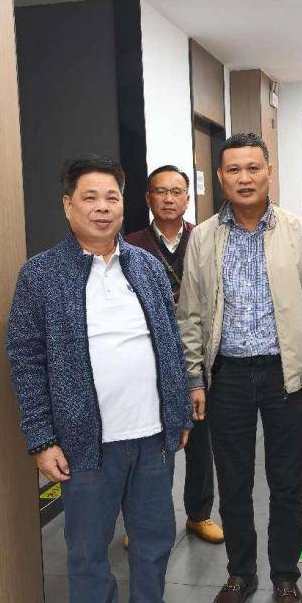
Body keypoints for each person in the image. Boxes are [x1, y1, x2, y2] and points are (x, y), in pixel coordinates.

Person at [6, 155, 198, 603]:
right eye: (89, 197)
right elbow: (25, 359)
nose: (102, 207)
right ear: (68, 206)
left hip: (152, 435)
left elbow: (169, 342)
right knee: (88, 551)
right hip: (85, 444)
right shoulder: (41, 275)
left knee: (155, 539)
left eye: (111, 197)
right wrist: (41, 438)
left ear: (123, 204)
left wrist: (177, 413)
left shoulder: (145, 266)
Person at [177, 132, 302, 603]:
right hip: (226, 377)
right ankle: (241, 575)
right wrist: (194, 378)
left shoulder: (298, 233)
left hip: (284, 376)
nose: (244, 178)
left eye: (253, 168)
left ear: (268, 172)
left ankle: (285, 577)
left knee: (286, 482)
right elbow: (190, 315)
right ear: (220, 177)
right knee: (234, 483)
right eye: (234, 170)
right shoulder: (204, 237)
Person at [125, 164, 223, 545]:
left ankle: (199, 514)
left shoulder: (204, 239)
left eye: (176, 191)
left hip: (197, 354)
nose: (168, 199)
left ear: (187, 198)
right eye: (160, 191)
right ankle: (143, 523)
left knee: (200, 439)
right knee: (150, 446)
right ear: (148, 198)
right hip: (149, 357)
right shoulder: (130, 244)